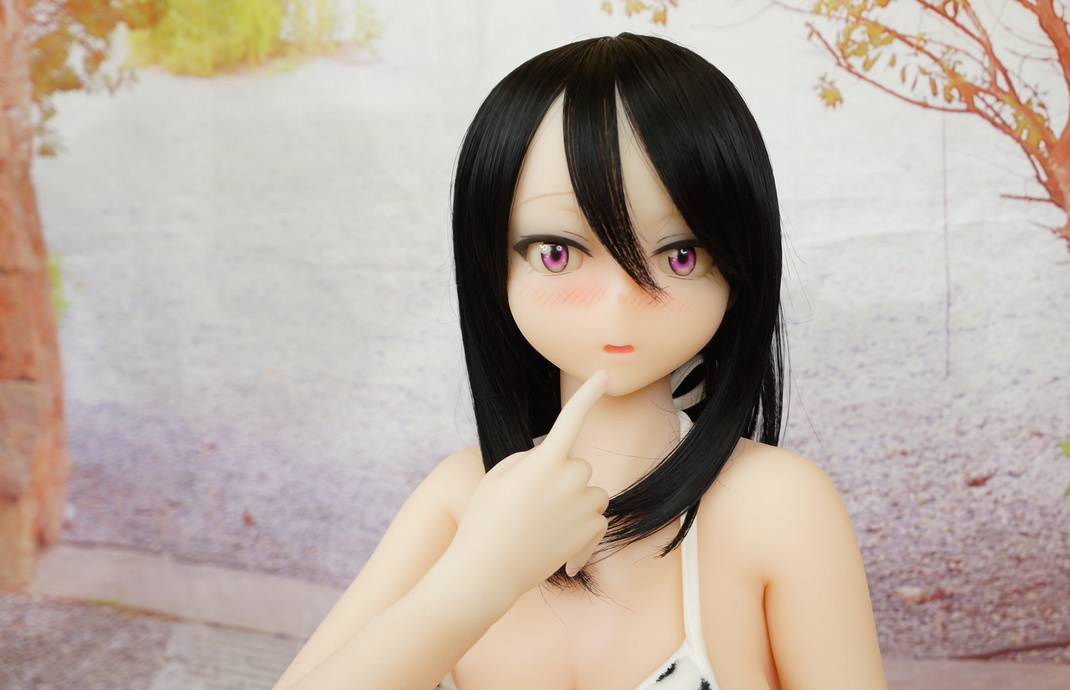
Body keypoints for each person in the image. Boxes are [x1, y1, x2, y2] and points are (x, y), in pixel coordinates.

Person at [274, 33, 886, 690]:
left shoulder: (776, 505)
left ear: (738, 267)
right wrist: (477, 579)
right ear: (495, 264)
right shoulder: (459, 498)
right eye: (559, 253)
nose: (619, 301)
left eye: (679, 255)